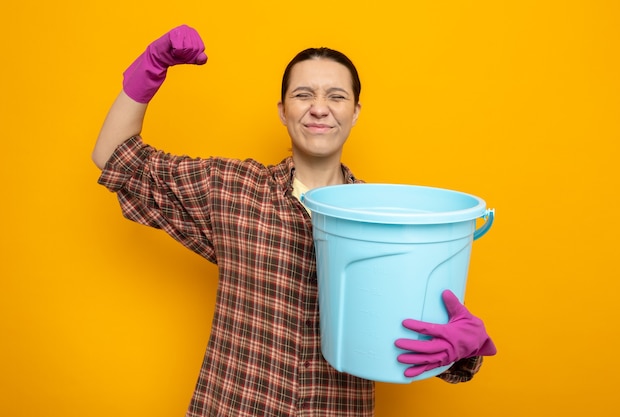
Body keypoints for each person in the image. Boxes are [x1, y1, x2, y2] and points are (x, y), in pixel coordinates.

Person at [92, 25, 496, 417]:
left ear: (355, 113)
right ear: (283, 111)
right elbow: (115, 157)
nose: (319, 107)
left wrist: (465, 349)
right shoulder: (231, 189)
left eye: (336, 96)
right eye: (303, 95)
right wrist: (149, 67)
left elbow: (416, 330)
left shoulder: (385, 220)